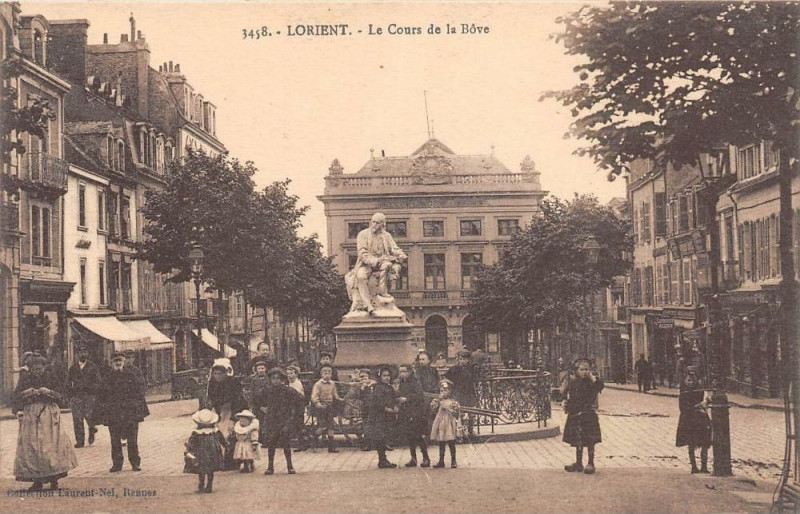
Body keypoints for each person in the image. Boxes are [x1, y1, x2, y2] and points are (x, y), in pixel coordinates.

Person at [12, 355, 78, 490]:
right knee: (33, 446)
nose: (37, 371)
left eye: (40, 368)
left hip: (49, 414)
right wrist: (27, 393)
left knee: (52, 445)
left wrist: (49, 392)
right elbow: (16, 397)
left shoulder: (52, 377)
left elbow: (62, 396)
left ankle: (54, 478)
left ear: (44, 367)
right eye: (34, 369)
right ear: (30, 369)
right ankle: (37, 480)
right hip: (31, 416)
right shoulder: (25, 379)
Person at [95, 352, 149, 472]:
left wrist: (135, 407)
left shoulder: (132, 374)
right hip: (114, 413)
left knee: (132, 440)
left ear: (124, 361)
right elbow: (101, 394)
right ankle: (117, 464)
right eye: (115, 361)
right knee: (115, 440)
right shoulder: (108, 377)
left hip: (130, 413)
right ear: (112, 363)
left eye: (120, 360)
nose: (118, 363)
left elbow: (140, 391)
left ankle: (135, 463)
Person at [345, 212, 408, 314]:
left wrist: (401, 254)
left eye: (377, 223)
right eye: (373, 222)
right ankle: (367, 304)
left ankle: (383, 292)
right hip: (367, 264)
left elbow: (394, 248)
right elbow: (362, 253)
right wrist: (375, 261)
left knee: (387, 265)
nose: (374, 225)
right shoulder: (363, 235)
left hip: (382, 262)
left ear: (383, 224)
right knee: (360, 276)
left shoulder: (386, 236)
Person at [256, 367, 306, 475]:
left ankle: (290, 466)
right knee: (271, 443)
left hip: (285, 419)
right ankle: (270, 467)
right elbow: (256, 400)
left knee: (286, 443)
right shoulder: (267, 390)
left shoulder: (287, 390)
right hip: (271, 420)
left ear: (283, 379)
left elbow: (301, 399)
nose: (276, 381)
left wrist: (294, 413)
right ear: (270, 379)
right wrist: (262, 408)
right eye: (273, 378)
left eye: (278, 378)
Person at [561, 358, 604, 475]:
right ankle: (578, 463)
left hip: (588, 414)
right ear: (576, 370)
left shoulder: (592, 382)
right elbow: (566, 394)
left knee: (590, 439)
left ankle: (591, 462)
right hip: (575, 413)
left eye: (587, 369)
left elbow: (599, 387)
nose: (584, 371)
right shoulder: (573, 382)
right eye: (582, 369)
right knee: (577, 439)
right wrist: (565, 403)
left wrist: (594, 379)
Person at [66, 344, 101, 448]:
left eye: (85, 352)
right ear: (77, 354)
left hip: (89, 395)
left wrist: (91, 389)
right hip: (76, 396)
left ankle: (91, 429)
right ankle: (80, 441)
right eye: (81, 352)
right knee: (77, 418)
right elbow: (68, 382)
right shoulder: (73, 368)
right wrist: (70, 394)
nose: (83, 354)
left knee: (89, 415)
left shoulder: (93, 367)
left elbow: (98, 381)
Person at [676, 370, 711, 474]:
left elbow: (704, 403)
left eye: (693, 380)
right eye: (689, 380)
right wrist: (699, 405)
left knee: (705, 443)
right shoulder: (683, 393)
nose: (691, 382)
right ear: (685, 381)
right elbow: (683, 408)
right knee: (691, 444)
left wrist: (706, 402)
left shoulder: (699, 391)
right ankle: (694, 467)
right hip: (688, 420)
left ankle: (704, 467)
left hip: (700, 419)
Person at [184, 409, 226, 493]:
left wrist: (188, 449)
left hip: (201, 454)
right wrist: (226, 444)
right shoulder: (215, 431)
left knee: (201, 470)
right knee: (210, 470)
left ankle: (201, 485)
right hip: (213, 453)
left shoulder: (196, 433)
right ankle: (209, 485)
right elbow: (222, 439)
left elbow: (192, 442)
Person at [365, 366, 399, 469]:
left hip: (386, 416)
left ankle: (383, 459)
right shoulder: (378, 388)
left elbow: (392, 398)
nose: (386, 378)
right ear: (380, 377)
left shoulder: (389, 387)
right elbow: (378, 403)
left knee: (384, 437)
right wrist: (389, 409)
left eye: (388, 375)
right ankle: (382, 460)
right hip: (379, 416)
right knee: (380, 437)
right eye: (384, 376)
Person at [397, 365, 431, 468]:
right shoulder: (402, 383)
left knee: (418, 436)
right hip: (406, 412)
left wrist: (407, 399)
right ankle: (413, 458)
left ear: (410, 372)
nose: (402, 373)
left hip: (416, 413)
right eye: (400, 371)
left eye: (404, 371)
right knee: (410, 436)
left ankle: (426, 457)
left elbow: (419, 396)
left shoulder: (415, 383)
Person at [311, 364, 343, 452]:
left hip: (330, 406)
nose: (327, 375)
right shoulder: (318, 384)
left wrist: (340, 399)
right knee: (322, 426)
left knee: (330, 426)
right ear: (321, 374)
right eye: (325, 373)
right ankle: (314, 439)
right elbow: (314, 396)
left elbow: (335, 395)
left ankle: (331, 446)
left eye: (329, 373)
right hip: (321, 407)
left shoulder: (332, 383)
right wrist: (318, 404)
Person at [445, 350, 477, 437]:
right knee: (461, 413)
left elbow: (476, 378)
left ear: (468, 360)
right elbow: (446, 378)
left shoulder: (471, 368)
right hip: (458, 393)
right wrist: (451, 384)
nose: (461, 361)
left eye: (464, 359)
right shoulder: (454, 368)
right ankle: (462, 431)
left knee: (472, 412)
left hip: (469, 392)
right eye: (460, 359)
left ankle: (471, 429)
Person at [430, 378, 460, 469]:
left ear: (450, 391)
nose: (443, 392)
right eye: (441, 391)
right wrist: (436, 402)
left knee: (451, 442)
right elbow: (432, 409)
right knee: (441, 442)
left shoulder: (453, 401)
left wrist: (449, 410)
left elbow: (456, 413)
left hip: (449, 423)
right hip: (441, 422)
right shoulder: (439, 400)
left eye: (445, 390)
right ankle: (441, 461)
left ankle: (453, 461)